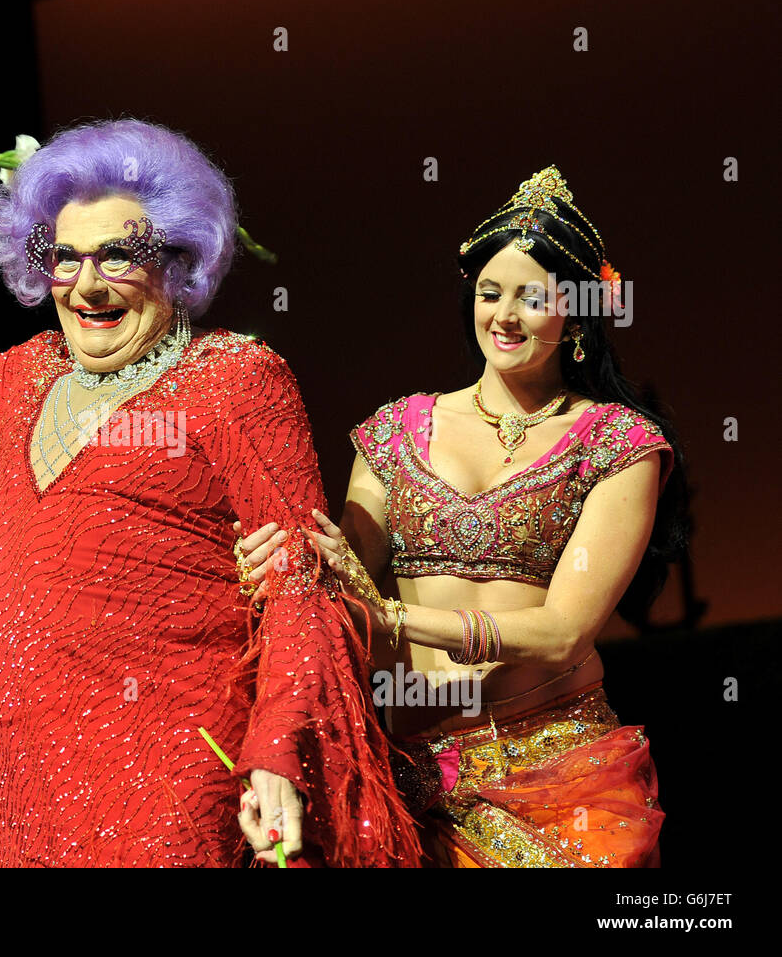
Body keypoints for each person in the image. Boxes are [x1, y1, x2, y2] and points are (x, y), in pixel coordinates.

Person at [0, 119, 420, 866]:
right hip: (31, 801)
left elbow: (302, 583)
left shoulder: (237, 380)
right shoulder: (21, 378)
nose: (87, 284)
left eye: (117, 257)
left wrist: (274, 753)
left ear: (175, 258)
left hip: (177, 784)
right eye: (63, 258)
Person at [238, 166, 688, 867]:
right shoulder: (396, 430)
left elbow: (564, 631)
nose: (503, 315)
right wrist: (273, 566)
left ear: (577, 312)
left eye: (531, 297)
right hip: (412, 785)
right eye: (489, 292)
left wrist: (398, 620)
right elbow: (338, 584)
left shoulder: (617, 441)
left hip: (559, 778)